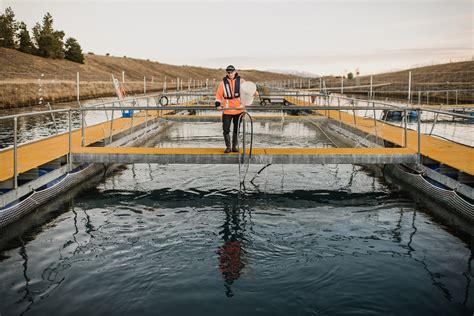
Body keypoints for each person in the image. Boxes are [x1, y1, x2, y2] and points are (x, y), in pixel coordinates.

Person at [215, 65, 245, 153]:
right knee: (226, 129)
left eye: (231, 72)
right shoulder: (222, 83)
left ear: (235, 72)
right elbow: (218, 95)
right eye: (228, 72)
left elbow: (248, 91)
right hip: (227, 110)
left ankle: (234, 147)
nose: (230, 74)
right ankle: (228, 147)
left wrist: (255, 92)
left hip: (239, 110)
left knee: (237, 129)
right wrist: (217, 105)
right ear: (226, 73)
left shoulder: (242, 81)